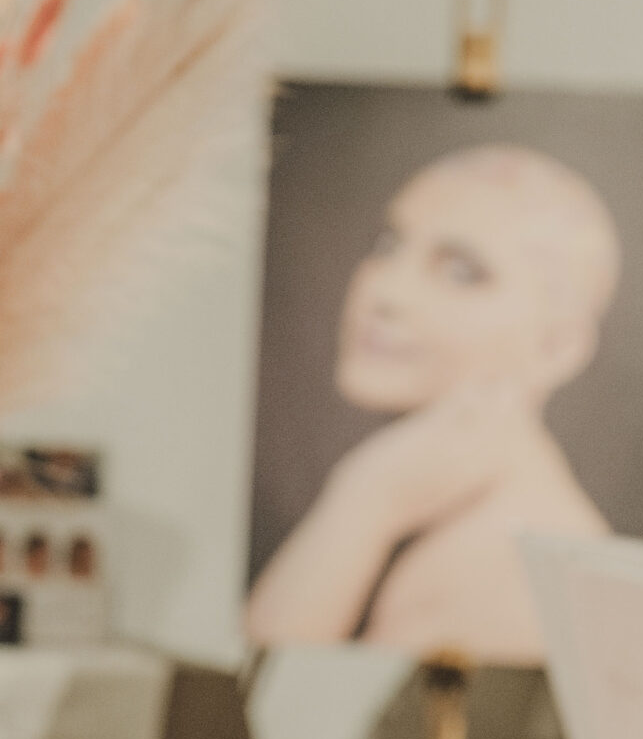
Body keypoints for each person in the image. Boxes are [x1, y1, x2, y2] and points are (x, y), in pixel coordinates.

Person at [245, 144, 619, 664]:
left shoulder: (494, 582)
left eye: (461, 272)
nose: (386, 292)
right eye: (389, 245)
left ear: (557, 345)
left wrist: (362, 501)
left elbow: (254, 705)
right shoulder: (455, 521)